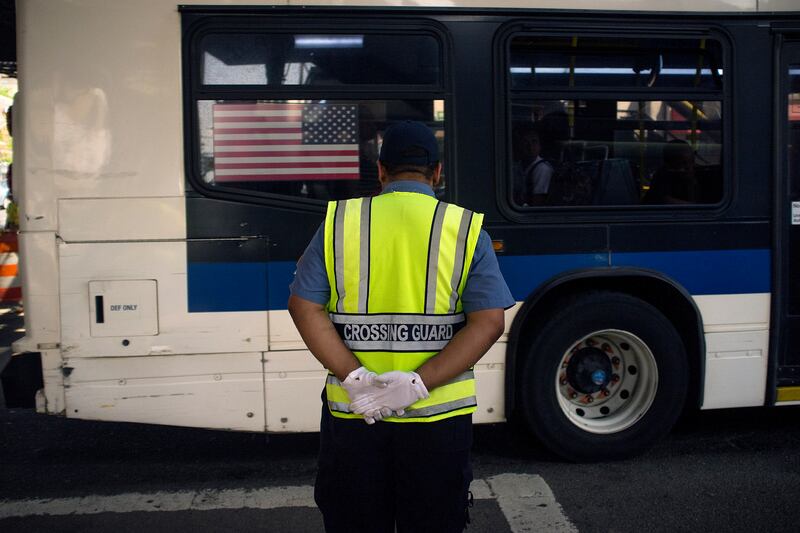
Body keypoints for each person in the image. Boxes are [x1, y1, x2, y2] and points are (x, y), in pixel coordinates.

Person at [288, 120, 514, 533]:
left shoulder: (341, 222)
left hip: (356, 419)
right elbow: (488, 322)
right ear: (437, 173)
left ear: (380, 170)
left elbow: (304, 307)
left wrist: (354, 377)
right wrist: (415, 384)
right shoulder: (464, 229)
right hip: (436, 421)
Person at [512, 123, 553, 206]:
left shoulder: (542, 169)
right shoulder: (517, 165)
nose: (530, 147)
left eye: (534, 142)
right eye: (525, 142)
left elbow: (538, 202)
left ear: (540, 145)